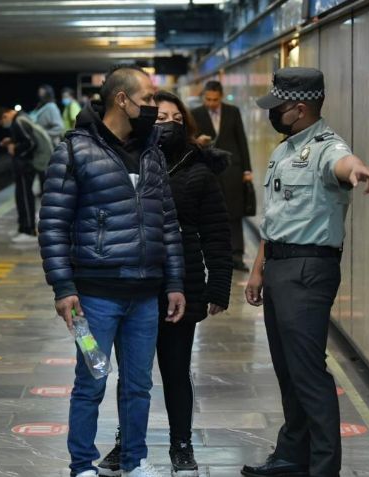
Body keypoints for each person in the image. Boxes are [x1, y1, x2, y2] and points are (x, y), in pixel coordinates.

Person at [39, 65, 187, 477]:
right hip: (93, 297)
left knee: (138, 386)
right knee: (91, 382)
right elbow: (52, 223)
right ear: (122, 99)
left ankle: (135, 460)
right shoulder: (74, 151)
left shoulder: (152, 152)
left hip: (145, 296)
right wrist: (62, 287)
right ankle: (81, 465)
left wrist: (174, 281)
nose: (155, 107)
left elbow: (167, 222)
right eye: (149, 98)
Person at [242, 68, 369, 477]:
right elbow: (277, 219)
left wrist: (357, 170)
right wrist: (258, 269)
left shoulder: (326, 146)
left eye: (277, 107)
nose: (273, 113)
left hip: (308, 269)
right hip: (280, 264)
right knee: (288, 370)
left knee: (308, 373)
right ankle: (291, 455)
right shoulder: (285, 150)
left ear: (298, 109)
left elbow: (343, 162)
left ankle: (322, 468)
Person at [98, 91, 233, 477]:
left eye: (175, 118)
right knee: (132, 374)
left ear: (185, 125)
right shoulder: (124, 162)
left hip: (183, 283)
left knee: (175, 370)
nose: (166, 124)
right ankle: (127, 441)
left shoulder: (199, 172)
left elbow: (217, 233)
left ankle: (181, 443)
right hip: (133, 285)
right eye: (159, 117)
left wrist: (218, 284)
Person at [190, 81, 252, 271]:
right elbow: (189, 140)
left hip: (232, 169)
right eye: (208, 99)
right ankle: (215, 254)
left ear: (221, 97)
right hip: (209, 168)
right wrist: (197, 141)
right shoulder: (196, 114)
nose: (211, 103)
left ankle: (237, 255)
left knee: (235, 213)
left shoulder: (232, 112)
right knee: (212, 212)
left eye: (215, 100)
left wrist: (247, 170)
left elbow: (241, 140)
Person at [0, 106, 38, 243]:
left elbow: (31, 143)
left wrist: (14, 148)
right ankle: (23, 228)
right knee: (21, 196)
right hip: (23, 166)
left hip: (25, 166)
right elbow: (25, 139)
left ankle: (29, 230)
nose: (4, 125)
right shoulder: (21, 118)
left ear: (5, 115)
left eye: (1, 122)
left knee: (24, 196)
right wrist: (11, 141)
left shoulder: (19, 121)